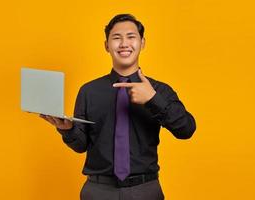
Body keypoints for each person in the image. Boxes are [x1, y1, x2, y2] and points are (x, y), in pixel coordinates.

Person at [40, 14, 196, 200]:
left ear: (142, 43)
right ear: (106, 45)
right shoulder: (89, 91)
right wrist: (67, 129)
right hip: (98, 191)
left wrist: (153, 99)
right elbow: (81, 146)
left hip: (145, 190)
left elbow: (186, 129)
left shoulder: (159, 90)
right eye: (116, 38)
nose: (124, 44)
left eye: (131, 37)